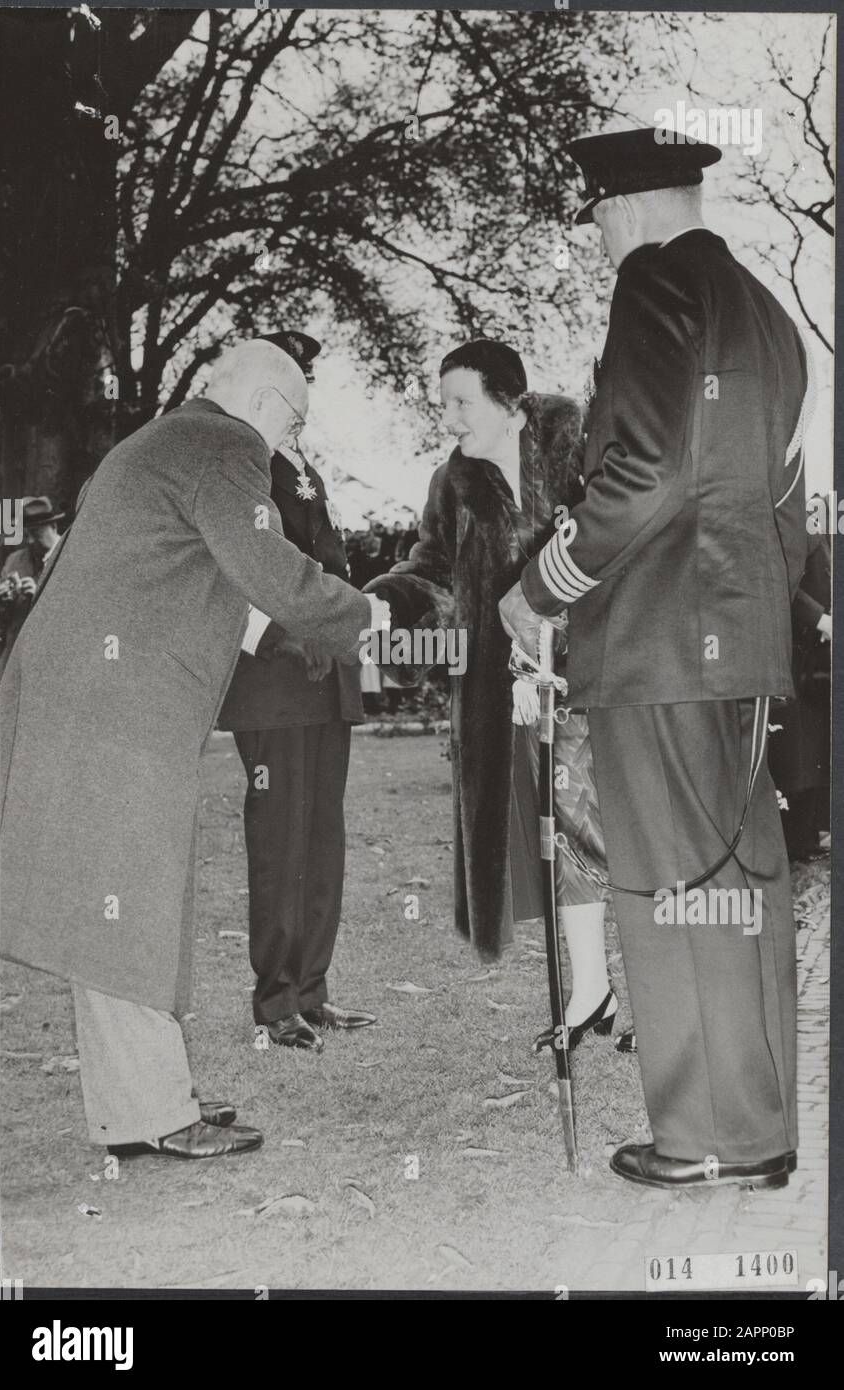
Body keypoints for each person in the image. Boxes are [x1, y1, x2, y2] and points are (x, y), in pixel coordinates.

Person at [500, 128, 811, 1191]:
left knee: (668, 890)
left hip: (657, 641)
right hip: (740, 645)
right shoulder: (761, 308)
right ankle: (756, 1127)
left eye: (594, 221)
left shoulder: (649, 285)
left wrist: (539, 587)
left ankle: (694, 1137)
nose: (596, 242)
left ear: (622, 208)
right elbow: (779, 496)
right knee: (738, 882)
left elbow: (641, 473)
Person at [0, 339, 388, 1162]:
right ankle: (152, 1113)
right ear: (270, 405)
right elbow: (269, 568)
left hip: (85, 696)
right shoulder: (226, 444)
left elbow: (209, 584)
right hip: (113, 707)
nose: (287, 448)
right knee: (128, 896)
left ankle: (142, 1102)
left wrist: (291, 633)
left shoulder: (159, 444)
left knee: (123, 896)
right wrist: (370, 618)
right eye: (295, 424)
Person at [367, 339, 619, 1043]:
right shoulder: (454, 483)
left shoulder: (577, 439)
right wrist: (389, 604)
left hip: (605, 668)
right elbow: (432, 570)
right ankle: (593, 988)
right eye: (443, 403)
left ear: (510, 402)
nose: (449, 419)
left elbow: (618, 532)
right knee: (561, 828)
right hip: (516, 690)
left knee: (613, 830)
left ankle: (628, 988)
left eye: (461, 402)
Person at [217, 330, 375, 1051]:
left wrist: (340, 630)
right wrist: (281, 635)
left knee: (321, 838)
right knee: (280, 840)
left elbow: (325, 560)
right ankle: (276, 1000)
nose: (303, 391)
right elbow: (231, 568)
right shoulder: (231, 461)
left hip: (323, 676)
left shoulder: (300, 464)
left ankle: (312, 989)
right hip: (274, 681)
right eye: (292, 375)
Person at [768, 527, 831, 861]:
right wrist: (822, 620)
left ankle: (809, 836)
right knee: (799, 757)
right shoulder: (810, 521)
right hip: (799, 656)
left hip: (820, 663)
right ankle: (797, 842)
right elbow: (781, 578)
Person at [0, 495, 63, 668]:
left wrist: (40, 596)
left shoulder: (71, 558)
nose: (30, 541)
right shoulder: (14, 561)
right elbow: (0, 623)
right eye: (26, 534)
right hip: (13, 658)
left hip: (55, 659)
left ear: (54, 527)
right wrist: (2, 602)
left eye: (36, 533)